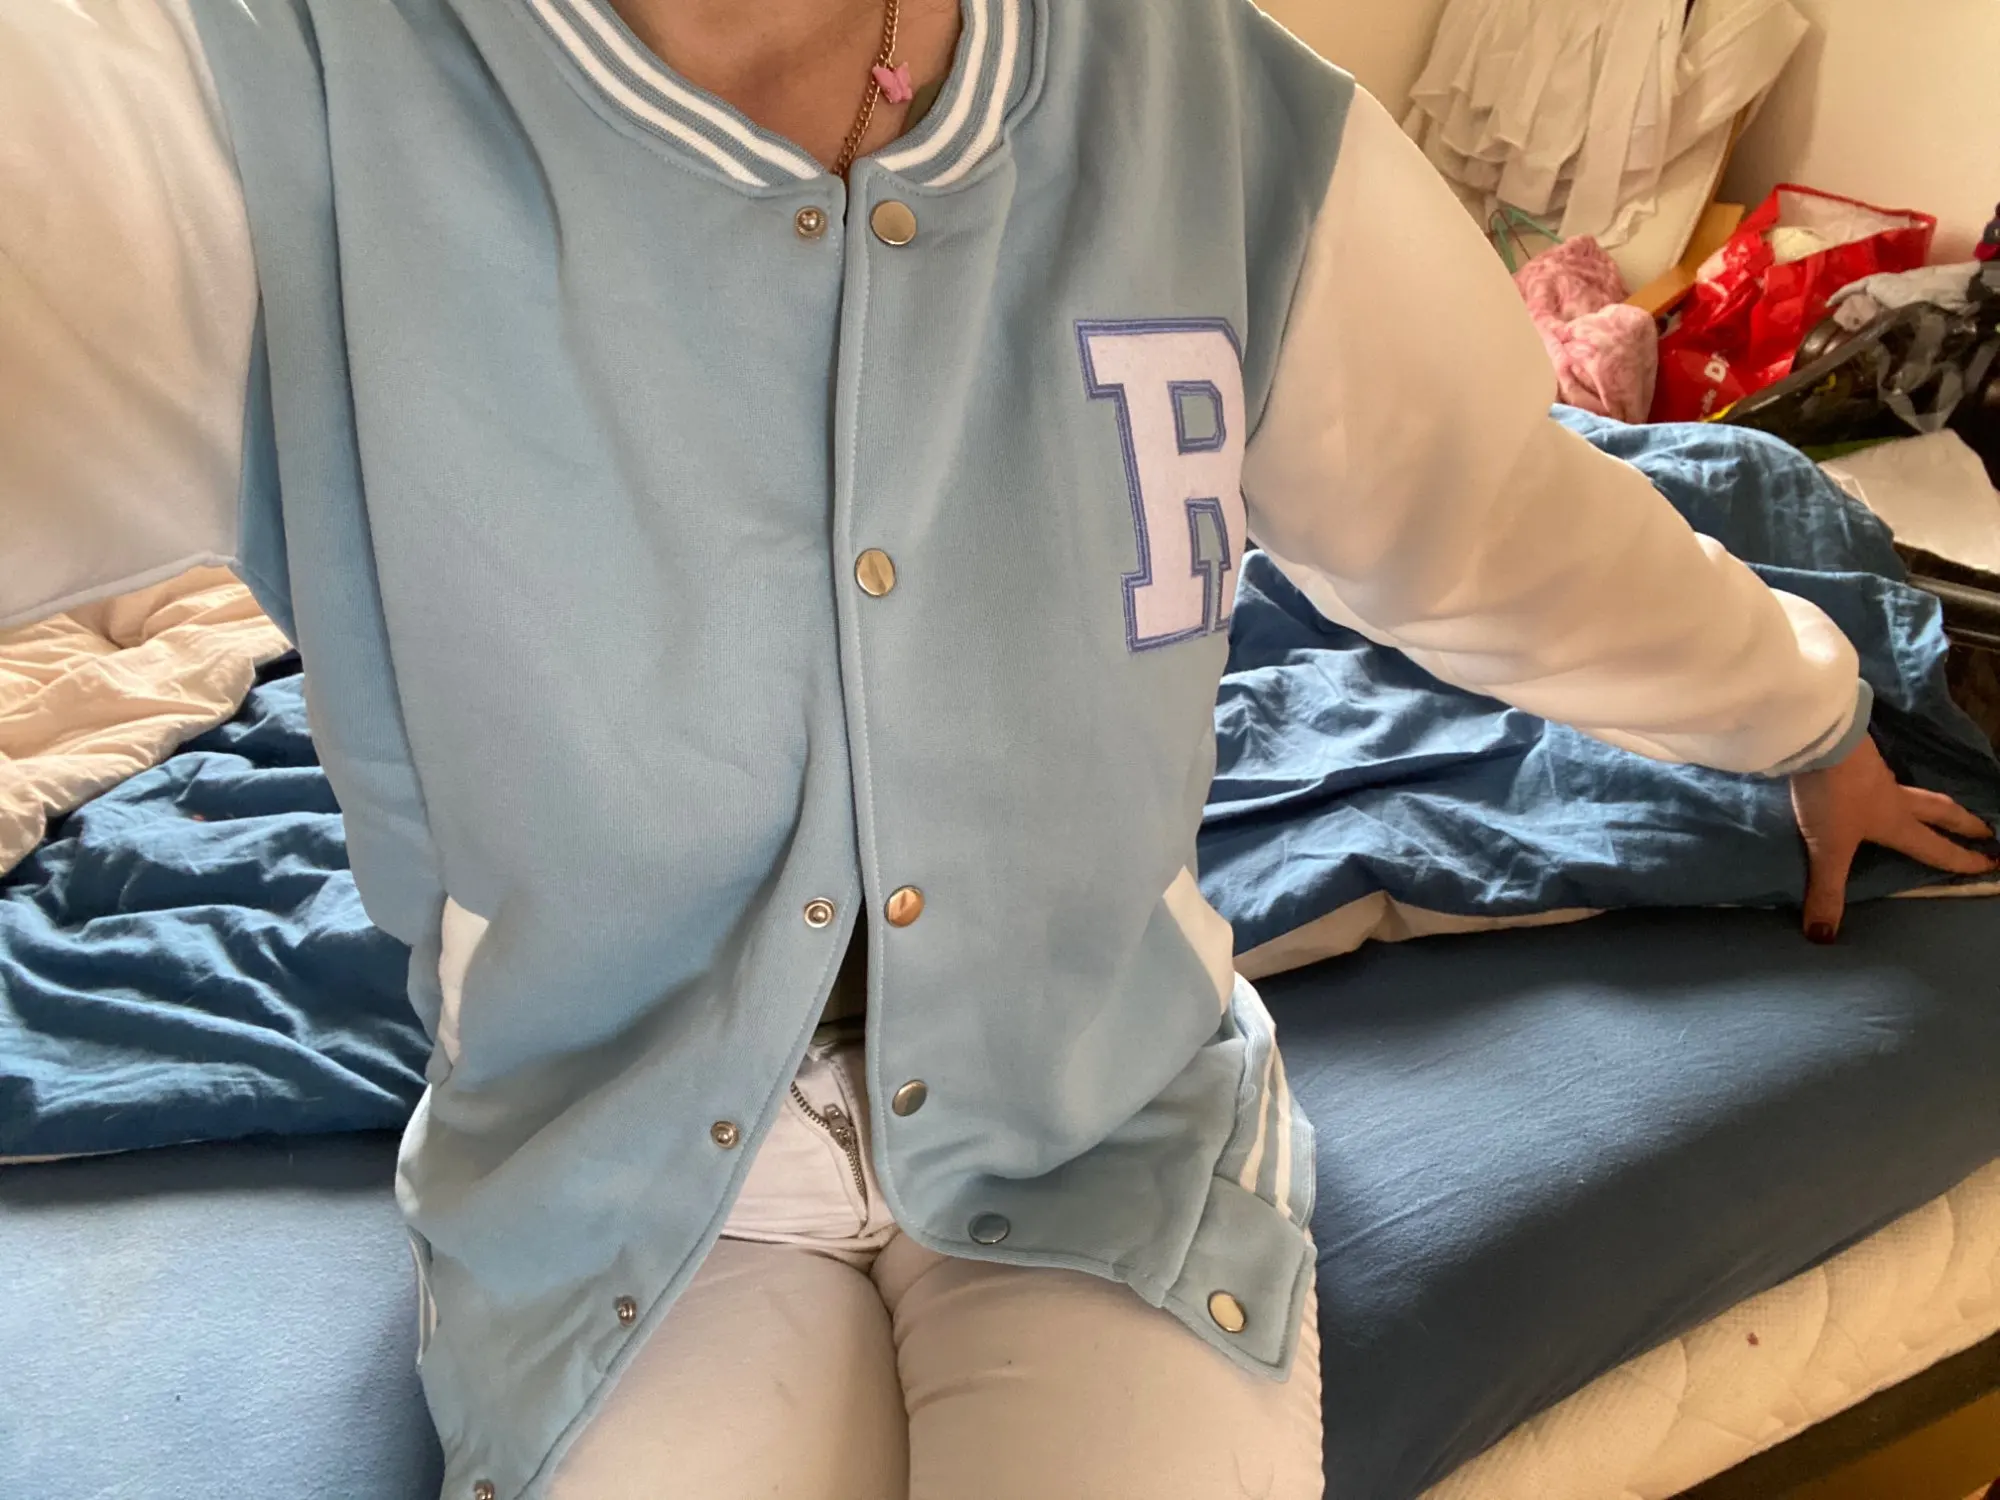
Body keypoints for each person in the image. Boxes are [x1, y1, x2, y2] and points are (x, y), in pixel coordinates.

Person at [2, 2, 1993, 1497]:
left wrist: (1798, 710)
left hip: (1101, 1114)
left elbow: (1494, 517)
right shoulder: (263, 101)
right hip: (618, 1161)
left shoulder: (1226, 123)